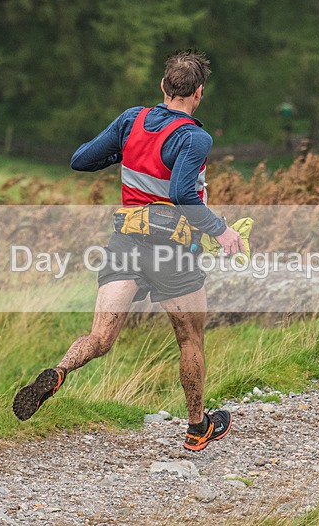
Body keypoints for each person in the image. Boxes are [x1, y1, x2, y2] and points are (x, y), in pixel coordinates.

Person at [13, 49, 245, 451]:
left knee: (100, 337)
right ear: (199, 93)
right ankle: (197, 427)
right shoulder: (194, 137)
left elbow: (81, 160)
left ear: (163, 86)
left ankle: (60, 371)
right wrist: (220, 229)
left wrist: (128, 148)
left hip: (125, 243)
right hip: (171, 251)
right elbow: (182, 193)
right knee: (190, 340)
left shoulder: (131, 120)